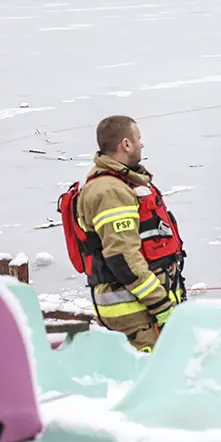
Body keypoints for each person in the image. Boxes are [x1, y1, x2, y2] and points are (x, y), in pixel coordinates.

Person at [74, 116, 186, 351]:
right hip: (134, 312)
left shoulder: (122, 183)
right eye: (138, 138)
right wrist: (161, 306)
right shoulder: (110, 191)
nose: (141, 144)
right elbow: (123, 257)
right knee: (150, 371)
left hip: (142, 307)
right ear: (125, 144)